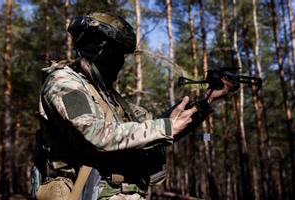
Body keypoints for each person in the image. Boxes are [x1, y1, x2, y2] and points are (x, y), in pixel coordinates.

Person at [35, 12, 232, 200]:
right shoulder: (65, 84)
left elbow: (153, 127)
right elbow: (95, 133)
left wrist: (206, 102)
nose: (119, 62)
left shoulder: (105, 94)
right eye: (115, 53)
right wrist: (166, 128)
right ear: (98, 49)